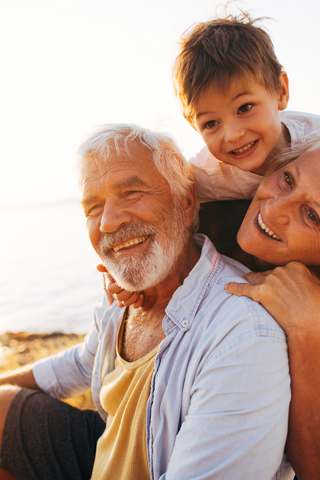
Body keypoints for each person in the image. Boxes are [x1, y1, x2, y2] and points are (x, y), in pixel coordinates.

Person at [0, 124, 293, 480]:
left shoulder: (242, 336)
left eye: (131, 192)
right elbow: (83, 362)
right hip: (107, 451)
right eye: (93, 207)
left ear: (185, 202)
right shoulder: (121, 295)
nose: (109, 222)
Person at [172, 9, 320, 203]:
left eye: (244, 108)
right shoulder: (206, 176)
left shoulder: (314, 140)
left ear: (280, 91)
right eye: (211, 123)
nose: (233, 134)